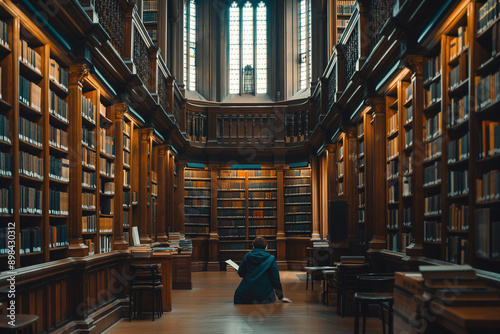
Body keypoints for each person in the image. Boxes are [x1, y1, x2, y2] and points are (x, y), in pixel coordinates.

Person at [234, 237, 292, 304]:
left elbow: (240, 273)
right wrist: (281, 297)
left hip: (246, 295)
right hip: (265, 296)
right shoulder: (271, 259)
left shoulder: (247, 256)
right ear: (266, 247)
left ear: (253, 246)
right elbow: (275, 279)